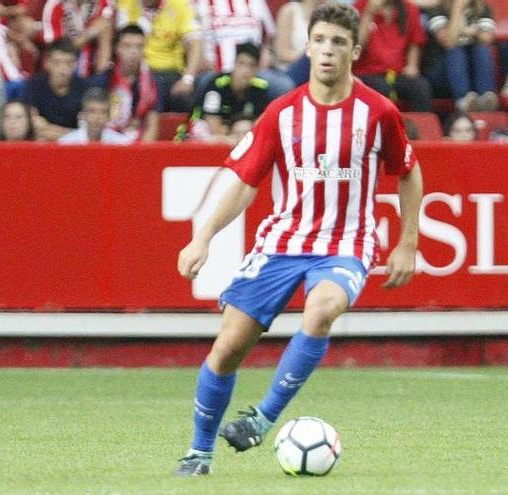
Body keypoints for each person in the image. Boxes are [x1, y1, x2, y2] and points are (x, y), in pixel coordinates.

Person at [172, 2, 423, 476]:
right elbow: (245, 182)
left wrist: (407, 242)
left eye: (339, 43)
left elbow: (409, 173)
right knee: (227, 350)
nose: (328, 51)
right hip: (281, 242)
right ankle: (199, 452)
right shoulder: (281, 114)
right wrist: (202, 237)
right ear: (308, 46)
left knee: (323, 307)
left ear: (354, 52)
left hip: (346, 242)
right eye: (321, 41)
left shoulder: (378, 112)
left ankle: (263, 419)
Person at [115, 0, 203, 112]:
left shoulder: (179, 5)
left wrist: (187, 80)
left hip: (167, 74)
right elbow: (119, 40)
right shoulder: (126, 4)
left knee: (180, 95)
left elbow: (195, 43)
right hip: (133, 72)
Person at [355, 0, 433, 112]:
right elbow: (358, 46)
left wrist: (412, 65)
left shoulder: (409, 8)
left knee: (421, 87)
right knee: (381, 88)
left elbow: (415, 42)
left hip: (398, 73)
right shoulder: (361, 5)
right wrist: (369, 13)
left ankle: (421, 129)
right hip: (367, 72)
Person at [87, 24, 161, 142]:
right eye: (127, 46)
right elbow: (93, 120)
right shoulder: (103, 79)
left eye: (139, 46)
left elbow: (152, 125)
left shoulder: (152, 82)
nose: (133, 52)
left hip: (137, 144)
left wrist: (142, 152)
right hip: (106, 140)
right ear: (117, 49)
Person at [422, 0, 499, 111]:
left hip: (471, 74)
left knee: (480, 49)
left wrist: (464, 32)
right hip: (440, 75)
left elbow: (486, 38)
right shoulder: (437, 9)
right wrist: (457, 9)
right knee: (455, 51)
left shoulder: (482, 8)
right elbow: (448, 41)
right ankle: (463, 100)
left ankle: (485, 97)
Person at [189, 42, 270, 143]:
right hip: (207, 131)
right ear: (234, 64)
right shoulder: (216, 85)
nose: (245, 70)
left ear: (257, 70)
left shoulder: (260, 88)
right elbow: (213, 126)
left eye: (251, 66)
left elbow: (261, 122)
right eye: (241, 64)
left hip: (239, 134)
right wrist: (235, 134)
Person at [21, 38, 87, 141]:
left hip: (74, 147)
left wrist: (51, 131)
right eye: (57, 62)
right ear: (47, 63)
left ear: (75, 64)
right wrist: (73, 134)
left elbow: (87, 132)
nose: (63, 69)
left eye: (68, 63)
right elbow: (36, 125)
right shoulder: (34, 85)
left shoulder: (85, 88)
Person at [39, 0, 113, 76]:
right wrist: (90, 33)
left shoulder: (101, 2)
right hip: (61, 66)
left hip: (90, 63)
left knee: (106, 29)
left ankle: (100, 78)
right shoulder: (54, 4)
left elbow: (105, 24)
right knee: (59, 58)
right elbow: (57, 50)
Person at [58, 86, 133, 143]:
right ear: (83, 115)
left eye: (103, 112)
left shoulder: (122, 144)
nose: (98, 117)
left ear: (109, 116)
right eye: (92, 111)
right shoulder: (66, 144)